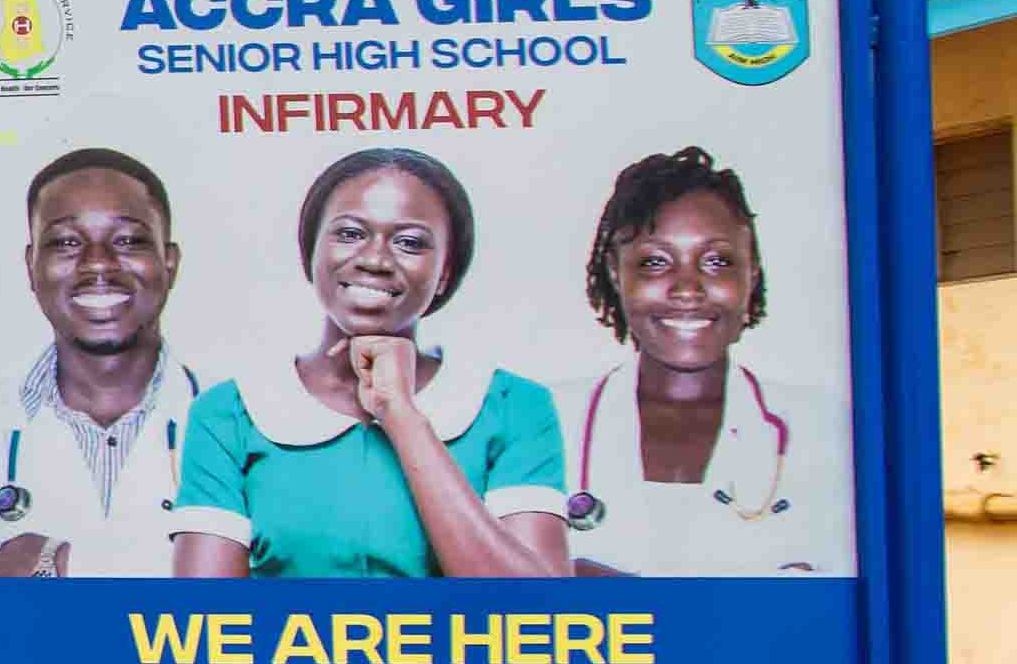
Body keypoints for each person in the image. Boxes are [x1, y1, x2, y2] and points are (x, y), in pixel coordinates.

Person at [170, 147, 567, 579]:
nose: (375, 259)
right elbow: (200, 626)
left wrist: (401, 415)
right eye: (350, 233)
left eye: (410, 242)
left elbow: (539, 615)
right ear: (311, 253)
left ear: (445, 273)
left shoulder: (516, 408)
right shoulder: (228, 414)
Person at [557, 147, 849, 577]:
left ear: (752, 273)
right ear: (617, 274)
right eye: (656, 262)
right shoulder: (541, 422)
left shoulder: (826, 430)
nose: (688, 288)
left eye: (717, 261)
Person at [0, 146, 196, 577]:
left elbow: (271, 575)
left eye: (129, 241)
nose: (98, 264)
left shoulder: (244, 424)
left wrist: (57, 561)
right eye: (67, 242)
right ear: (31, 265)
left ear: (169, 262)